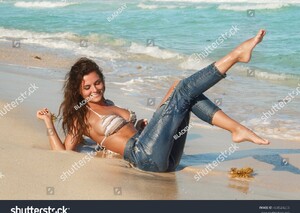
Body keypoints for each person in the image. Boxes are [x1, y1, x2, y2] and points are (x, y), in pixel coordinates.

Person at [37, 29, 270, 172]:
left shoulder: (109, 104)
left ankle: (237, 130)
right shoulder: (82, 117)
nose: (94, 90)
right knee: (183, 88)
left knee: (184, 94)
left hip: (167, 160)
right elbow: (64, 152)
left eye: (97, 83)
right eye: (86, 87)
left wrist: (139, 128)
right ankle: (236, 56)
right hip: (144, 158)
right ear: (78, 91)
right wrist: (48, 123)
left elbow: (123, 134)